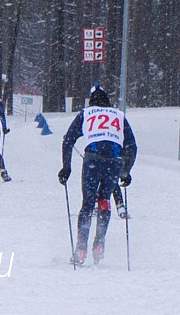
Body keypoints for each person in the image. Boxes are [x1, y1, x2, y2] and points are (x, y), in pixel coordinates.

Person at [58, 84, 136, 265]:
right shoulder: (119, 115)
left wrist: (66, 168)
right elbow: (132, 146)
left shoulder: (86, 113)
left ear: (92, 102)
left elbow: (68, 140)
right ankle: (99, 244)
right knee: (104, 200)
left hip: (93, 160)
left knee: (87, 203)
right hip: (114, 161)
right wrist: (126, 171)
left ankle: (81, 249)